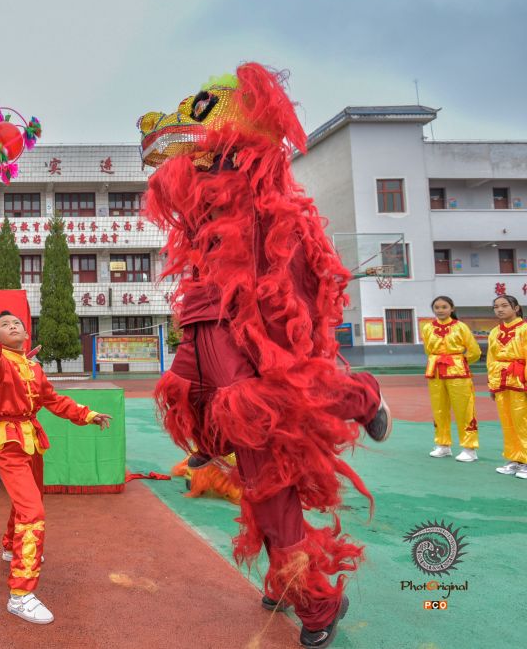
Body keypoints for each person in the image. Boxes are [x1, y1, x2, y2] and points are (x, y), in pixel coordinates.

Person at [138, 63, 392, 649]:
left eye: (212, 158)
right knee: (203, 417)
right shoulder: (200, 211)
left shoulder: (266, 207)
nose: (197, 170)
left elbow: (291, 298)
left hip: (245, 344)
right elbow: (170, 184)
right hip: (202, 335)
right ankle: (287, 572)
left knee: (266, 467)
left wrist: (266, 350)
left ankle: (315, 599)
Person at [0, 311, 111, 625]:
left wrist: (87, 414)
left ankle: (10, 547)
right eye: (4, 325)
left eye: (17, 323)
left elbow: (53, 400)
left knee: (29, 501)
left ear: (26, 333)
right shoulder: (0, 360)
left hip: (31, 439)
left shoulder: (33, 367)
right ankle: (20, 594)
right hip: (9, 442)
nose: (12, 326)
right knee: (32, 513)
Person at [422, 296, 482, 461]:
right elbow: (427, 350)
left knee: (464, 409)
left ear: (452, 308)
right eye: (437, 307)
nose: (440, 310)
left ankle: (469, 448)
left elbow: (475, 351)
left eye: (444, 307)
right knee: (439, 409)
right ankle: (443, 444)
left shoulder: (461, 327)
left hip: (458, 372)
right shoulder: (427, 328)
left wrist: (460, 361)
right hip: (435, 372)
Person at [487, 294, 527, 479]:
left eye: (504, 305)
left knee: (523, 421)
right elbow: (491, 360)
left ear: (516, 308)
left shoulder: (524, 329)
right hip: (502, 381)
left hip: (520, 380)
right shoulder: (494, 332)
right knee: (507, 422)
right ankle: (514, 459)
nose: (500, 309)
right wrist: (492, 384)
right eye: (496, 307)